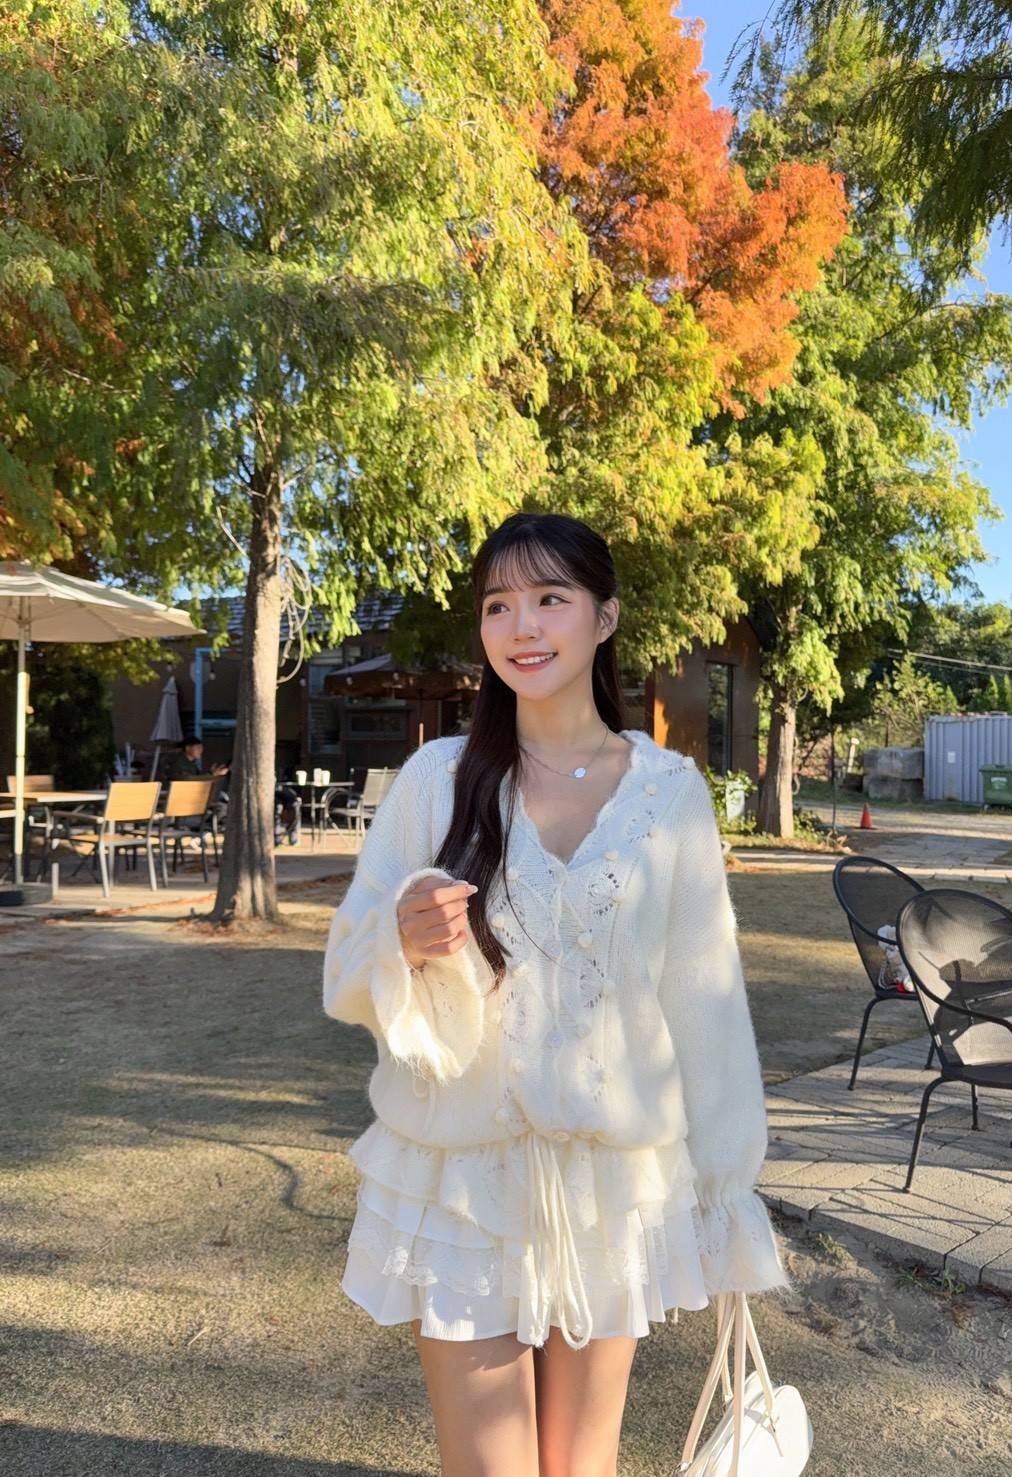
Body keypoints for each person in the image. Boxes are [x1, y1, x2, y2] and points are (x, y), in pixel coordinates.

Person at [322, 512, 788, 1477]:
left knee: (581, 1467)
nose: (522, 626)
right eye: (499, 605)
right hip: (462, 1181)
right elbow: (348, 955)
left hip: (610, 1188)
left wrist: (726, 1191)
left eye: (550, 598)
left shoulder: (669, 793)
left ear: (603, 616)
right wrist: (402, 936)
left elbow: (704, 996)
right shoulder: (437, 780)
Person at [160, 735, 229, 784]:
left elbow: (197, 776)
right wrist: (212, 775)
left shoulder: (190, 763)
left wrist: (211, 773)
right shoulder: (177, 761)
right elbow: (188, 778)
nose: (200, 751)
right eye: (198, 748)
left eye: (201, 748)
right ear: (188, 748)